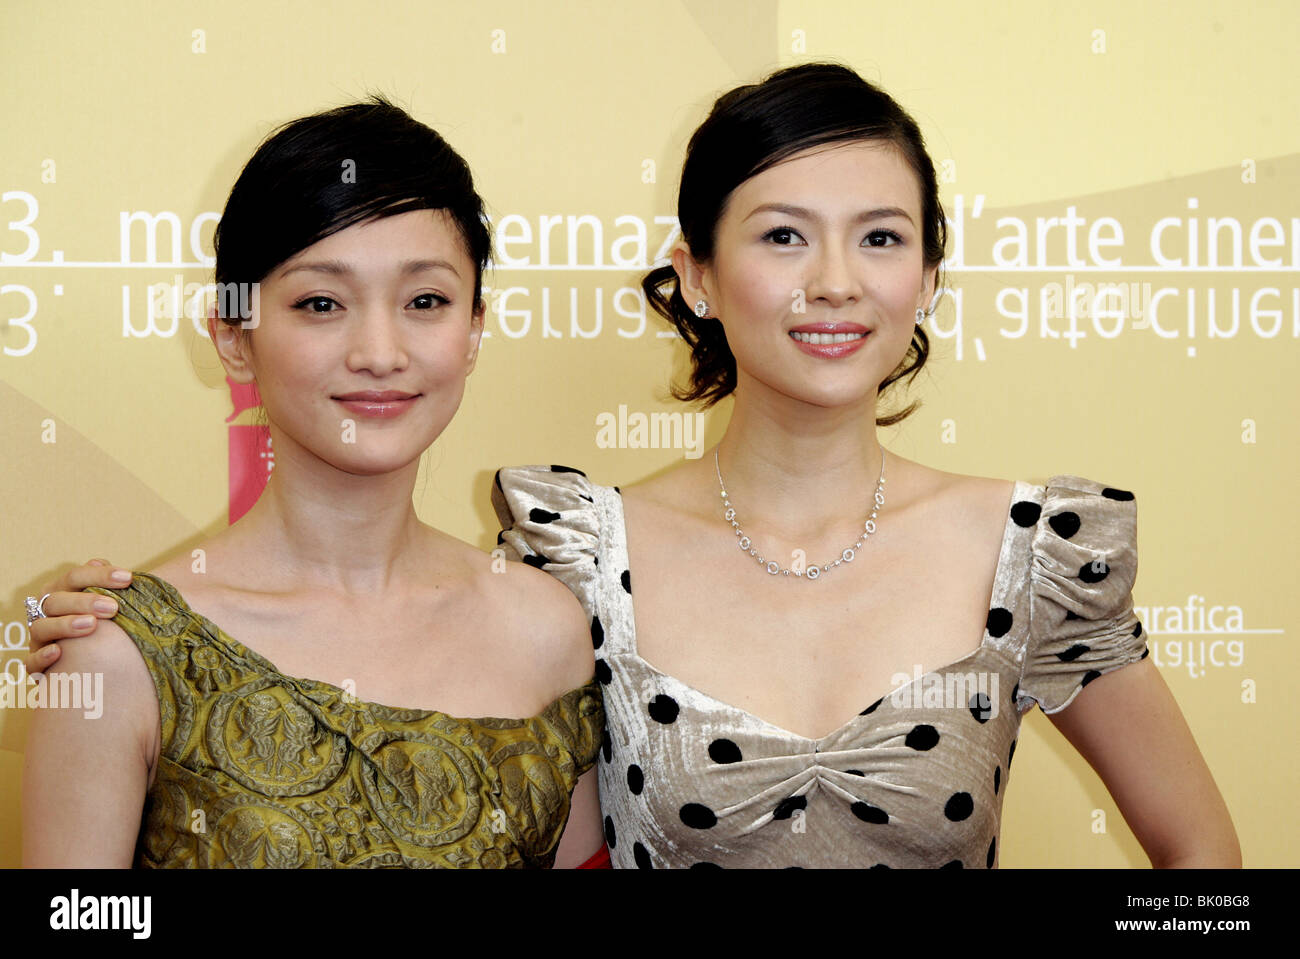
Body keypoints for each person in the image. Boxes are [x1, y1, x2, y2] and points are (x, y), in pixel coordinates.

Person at [28, 64, 1239, 869]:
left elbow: (1206, 868)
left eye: (879, 237)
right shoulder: (574, 569)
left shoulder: (1035, 549)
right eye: (779, 236)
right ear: (697, 277)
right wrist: (124, 636)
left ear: (928, 274)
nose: (832, 281)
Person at [20, 98, 604, 869]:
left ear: (474, 330)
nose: (379, 351)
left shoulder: (547, 630)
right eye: (321, 302)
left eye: (425, 300)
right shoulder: (122, 654)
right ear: (233, 338)